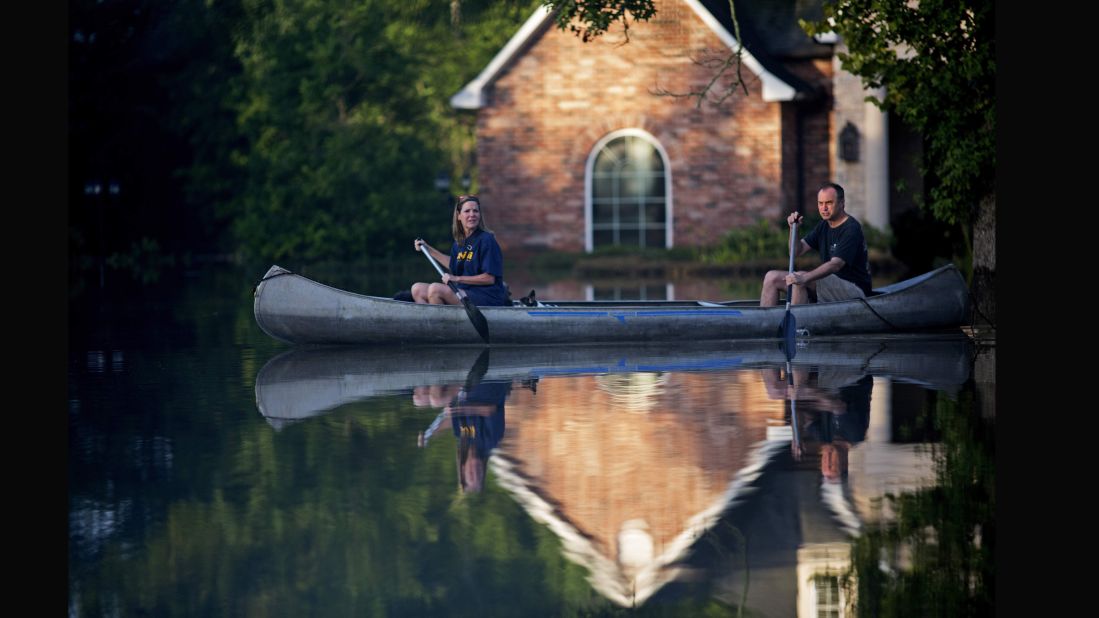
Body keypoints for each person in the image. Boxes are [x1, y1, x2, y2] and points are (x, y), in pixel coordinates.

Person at [760, 182, 873, 306]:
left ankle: (797, 322)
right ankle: (765, 322)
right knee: (771, 277)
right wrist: (794, 229)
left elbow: (836, 265)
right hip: (829, 287)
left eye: (829, 203)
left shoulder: (851, 228)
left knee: (800, 278)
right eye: (821, 203)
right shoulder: (823, 226)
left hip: (855, 291)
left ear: (841, 203)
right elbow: (796, 251)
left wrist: (804, 278)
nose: (824, 208)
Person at [411, 194, 509, 306]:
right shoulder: (459, 243)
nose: (472, 215)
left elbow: (489, 278)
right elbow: (454, 263)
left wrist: (457, 278)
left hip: (487, 296)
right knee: (417, 289)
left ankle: (441, 322)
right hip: (465, 292)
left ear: (480, 215)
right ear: (459, 216)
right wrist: (429, 249)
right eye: (467, 211)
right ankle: (431, 321)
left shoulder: (487, 240)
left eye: (475, 211)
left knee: (435, 289)